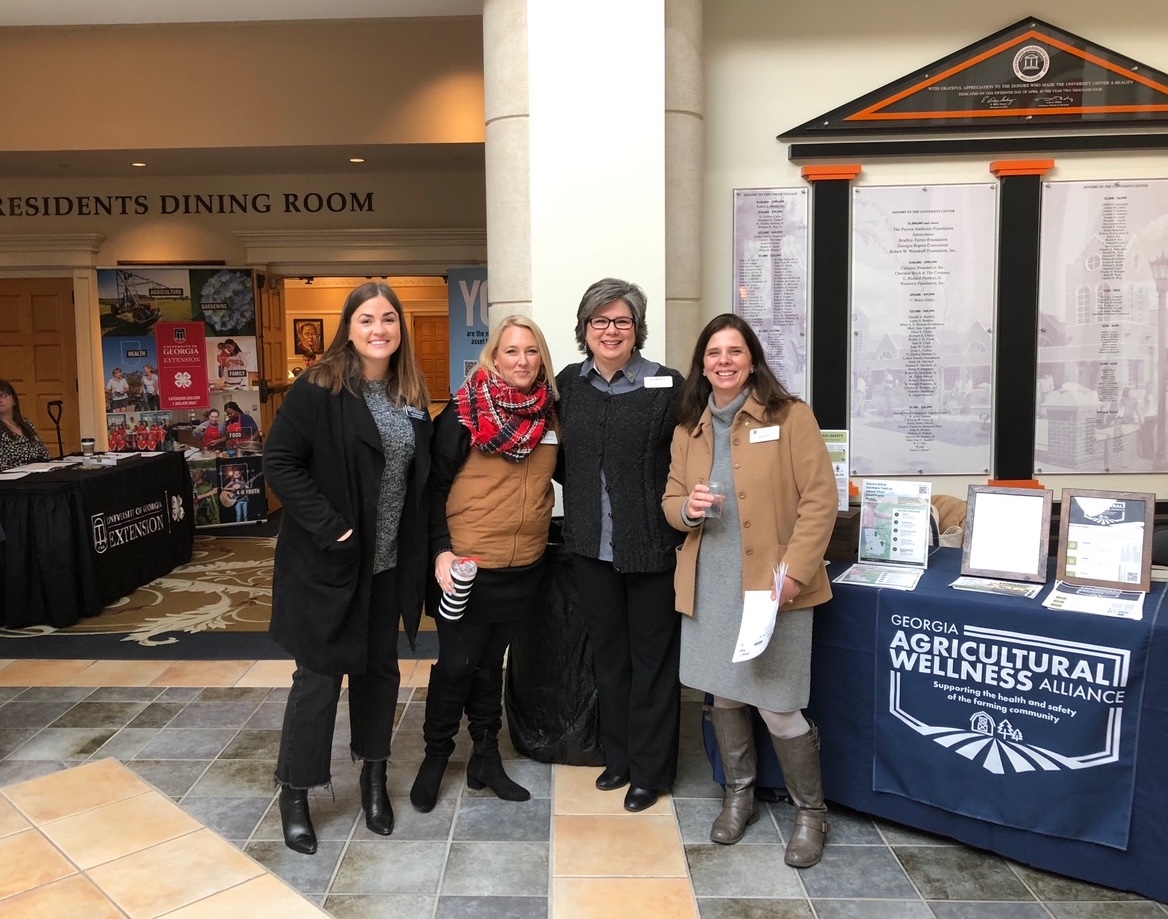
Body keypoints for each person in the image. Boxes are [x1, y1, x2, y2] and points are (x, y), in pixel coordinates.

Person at [662, 313, 837, 868]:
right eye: (713, 353)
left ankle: (811, 813)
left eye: (735, 351)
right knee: (726, 695)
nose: (724, 361)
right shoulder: (688, 429)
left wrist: (797, 570)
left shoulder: (791, 417)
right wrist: (685, 510)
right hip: (710, 582)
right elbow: (670, 501)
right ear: (702, 366)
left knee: (780, 706)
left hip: (774, 586)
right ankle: (738, 794)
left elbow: (820, 499)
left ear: (753, 359)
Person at [264, 281, 432, 855]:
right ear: (348, 326)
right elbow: (280, 463)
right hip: (328, 563)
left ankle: (374, 779)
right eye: (367, 319)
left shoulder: (411, 391)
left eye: (389, 318)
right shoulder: (320, 386)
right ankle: (295, 791)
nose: (379, 329)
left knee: (379, 672)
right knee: (317, 679)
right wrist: (334, 527)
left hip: (388, 566)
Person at [409, 315, 559, 814]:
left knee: (491, 665)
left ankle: (486, 758)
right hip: (465, 568)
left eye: (531, 351)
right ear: (494, 357)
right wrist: (440, 551)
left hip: (523, 567)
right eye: (511, 351)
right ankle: (436, 757)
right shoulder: (461, 417)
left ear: (542, 360)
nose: (521, 360)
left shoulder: (551, 417)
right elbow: (430, 489)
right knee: (456, 665)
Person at [555, 278, 685, 813]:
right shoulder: (568, 384)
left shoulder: (668, 385)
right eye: (600, 321)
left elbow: (688, 458)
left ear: (638, 329)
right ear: (586, 330)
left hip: (652, 547)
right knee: (608, 658)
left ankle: (650, 773)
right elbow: (558, 459)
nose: (611, 330)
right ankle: (620, 758)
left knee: (651, 660)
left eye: (621, 321)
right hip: (590, 547)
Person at [0, 380, 52, 470]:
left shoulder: (26, 424)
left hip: (40, 473)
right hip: (13, 478)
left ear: (14, 400)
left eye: (3, 396)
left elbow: (44, 453)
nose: (0, 400)